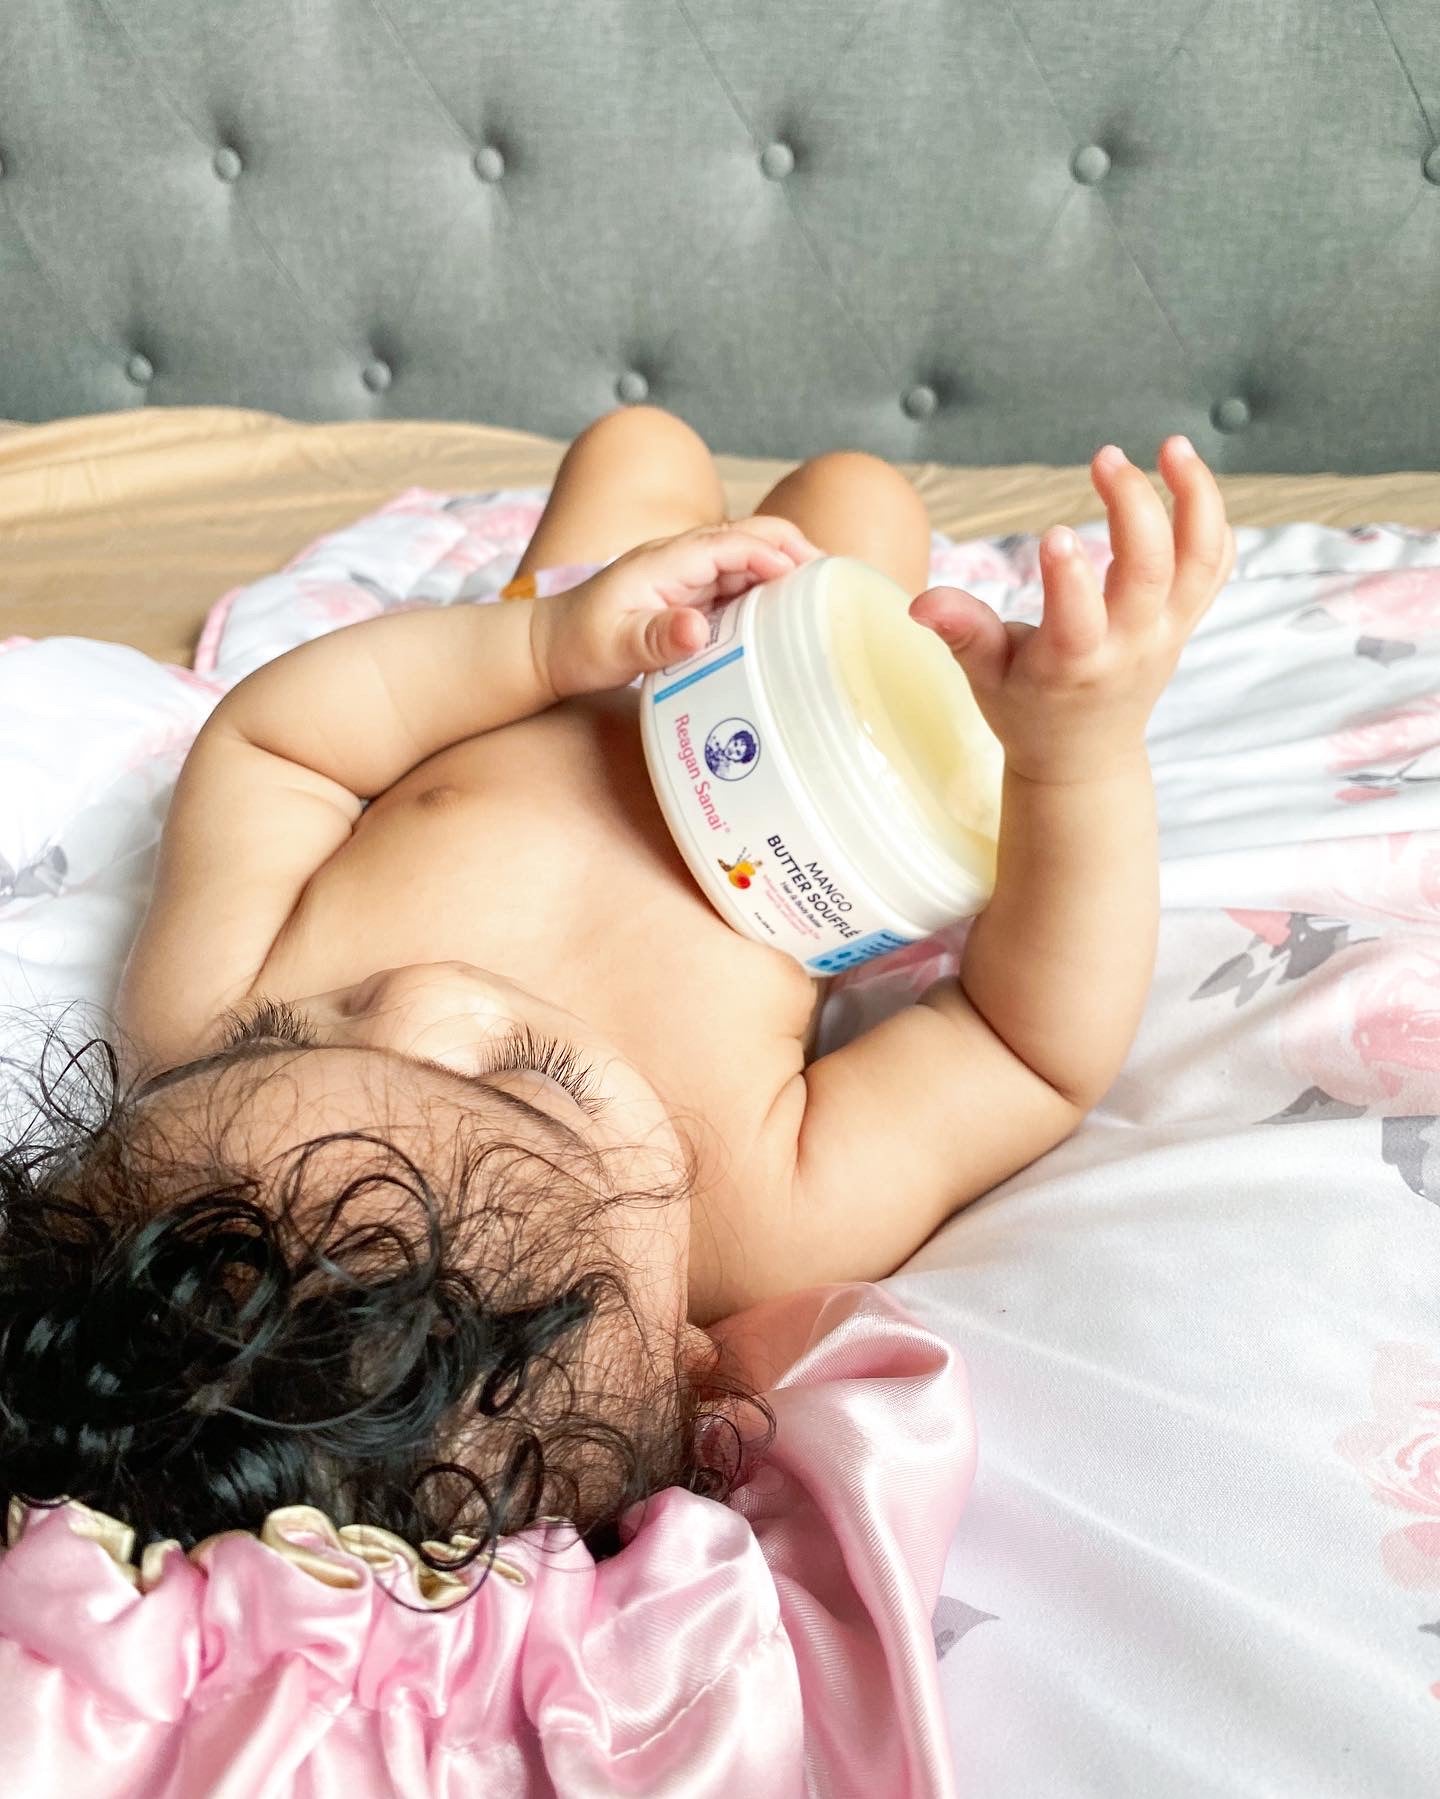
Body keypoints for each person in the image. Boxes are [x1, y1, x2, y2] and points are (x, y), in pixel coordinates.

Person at [0, 407, 1235, 1573]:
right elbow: (1024, 1044)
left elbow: (276, 747)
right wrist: (1075, 758)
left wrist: (543, 642)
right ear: (685, 1357)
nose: (431, 994)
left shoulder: (196, 1025)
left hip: (590, 649)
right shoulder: (763, 1215)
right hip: (825, 755)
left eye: (305, 1032)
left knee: (637, 446)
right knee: (859, 493)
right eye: (532, 1086)